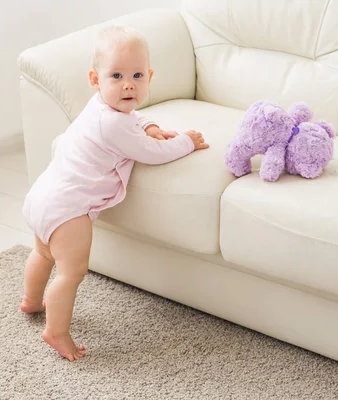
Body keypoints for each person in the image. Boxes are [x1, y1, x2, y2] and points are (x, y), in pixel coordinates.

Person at [19, 24, 209, 361]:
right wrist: (186, 142)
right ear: (96, 79)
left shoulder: (101, 108)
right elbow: (152, 152)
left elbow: (132, 118)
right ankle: (56, 331)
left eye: (137, 75)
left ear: (149, 77)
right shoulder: (114, 124)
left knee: (44, 253)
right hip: (67, 209)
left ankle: (32, 301)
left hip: (43, 194)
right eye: (117, 76)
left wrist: (149, 125)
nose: (128, 85)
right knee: (71, 271)